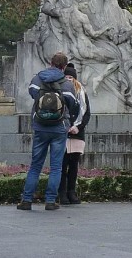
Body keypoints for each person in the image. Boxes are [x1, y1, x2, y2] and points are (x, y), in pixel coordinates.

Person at [17, 52, 79, 211]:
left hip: (40, 126)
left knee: (35, 165)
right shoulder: (66, 83)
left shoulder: (38, 79)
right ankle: (50, 201)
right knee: (56, 167)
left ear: (50, 63)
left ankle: (26, 200)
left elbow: (32, 93)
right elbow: (74, 105)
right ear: (64, 67)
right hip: (59, 128)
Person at [59, 63, 90, 205]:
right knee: (62, 164)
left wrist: (78, 127)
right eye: (66, 77)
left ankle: (72, 191)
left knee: (74, 165)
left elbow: (86, 114)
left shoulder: (82, 93)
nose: (68, 79)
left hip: (77, 133)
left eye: (71, 77)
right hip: (63, 132)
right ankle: (62, 193)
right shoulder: (60, 91)